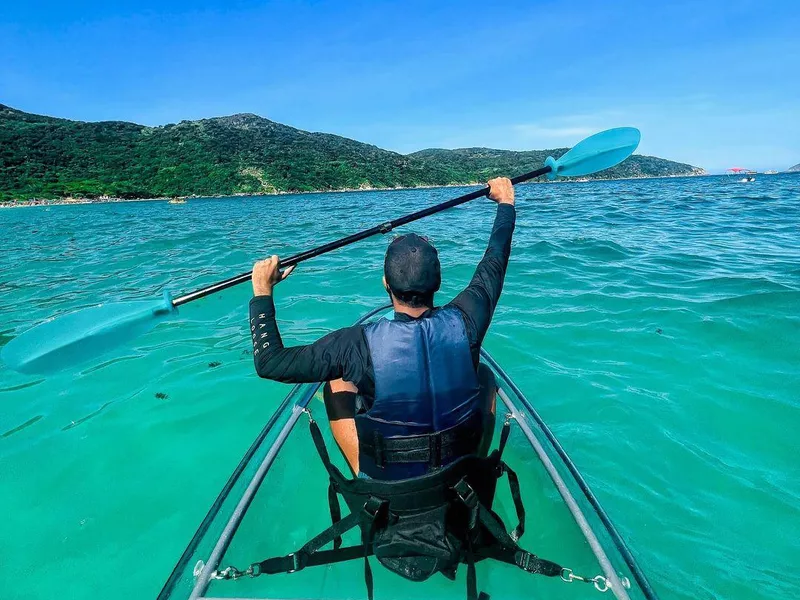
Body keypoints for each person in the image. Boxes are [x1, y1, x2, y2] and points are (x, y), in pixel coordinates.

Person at [249, 177, 515, 480]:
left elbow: (270, 362)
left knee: (336, 383)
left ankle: (364, 475)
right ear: (438, 284)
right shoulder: (468, 318)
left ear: (386, 284)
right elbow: (495, 259)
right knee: (483, 374)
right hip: (456, 482)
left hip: (393, 495)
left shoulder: (354, 345)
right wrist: (506, 202)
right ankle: (472, 463)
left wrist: (262, 292)